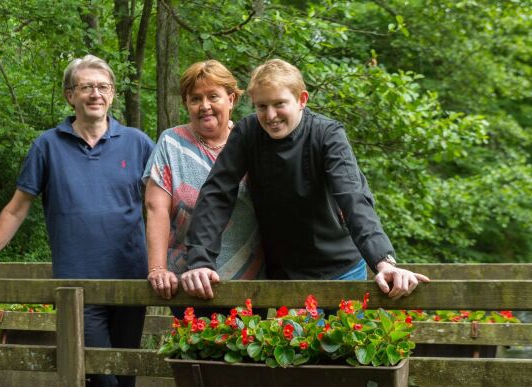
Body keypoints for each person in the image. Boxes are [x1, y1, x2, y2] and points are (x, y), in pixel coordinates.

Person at [0, 55, 154, 387]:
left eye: (102, 87)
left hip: (130, 281)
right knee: (98, 379)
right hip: (76, 288)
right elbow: (15, 210)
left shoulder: (138, 143)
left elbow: (160, 207)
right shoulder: (47, 145)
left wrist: (169, 263)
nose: (95, 94)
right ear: (70, 95)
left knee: (125, 375)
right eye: (86, 87)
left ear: (113, 94)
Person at [184, 59, 429, 300]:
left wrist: (383, 261)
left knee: (341, 340)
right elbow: (216, 194)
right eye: (261, 106)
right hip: (284, 275)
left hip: (339, 268)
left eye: (279, 104)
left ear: (302, 100)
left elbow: (353, 198)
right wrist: (199, 261)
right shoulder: (248, 132)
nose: (270, 116)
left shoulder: (327, 134)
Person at [144, 60, 265, 313]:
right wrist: (158, 269)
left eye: (213, 96)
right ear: (186, 104)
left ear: (231, 100)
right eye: (195, 99)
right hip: (189, 282)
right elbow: (156, 209)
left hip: (253, 283)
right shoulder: (171, 143)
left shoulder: (253, 141)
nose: (205, 106)